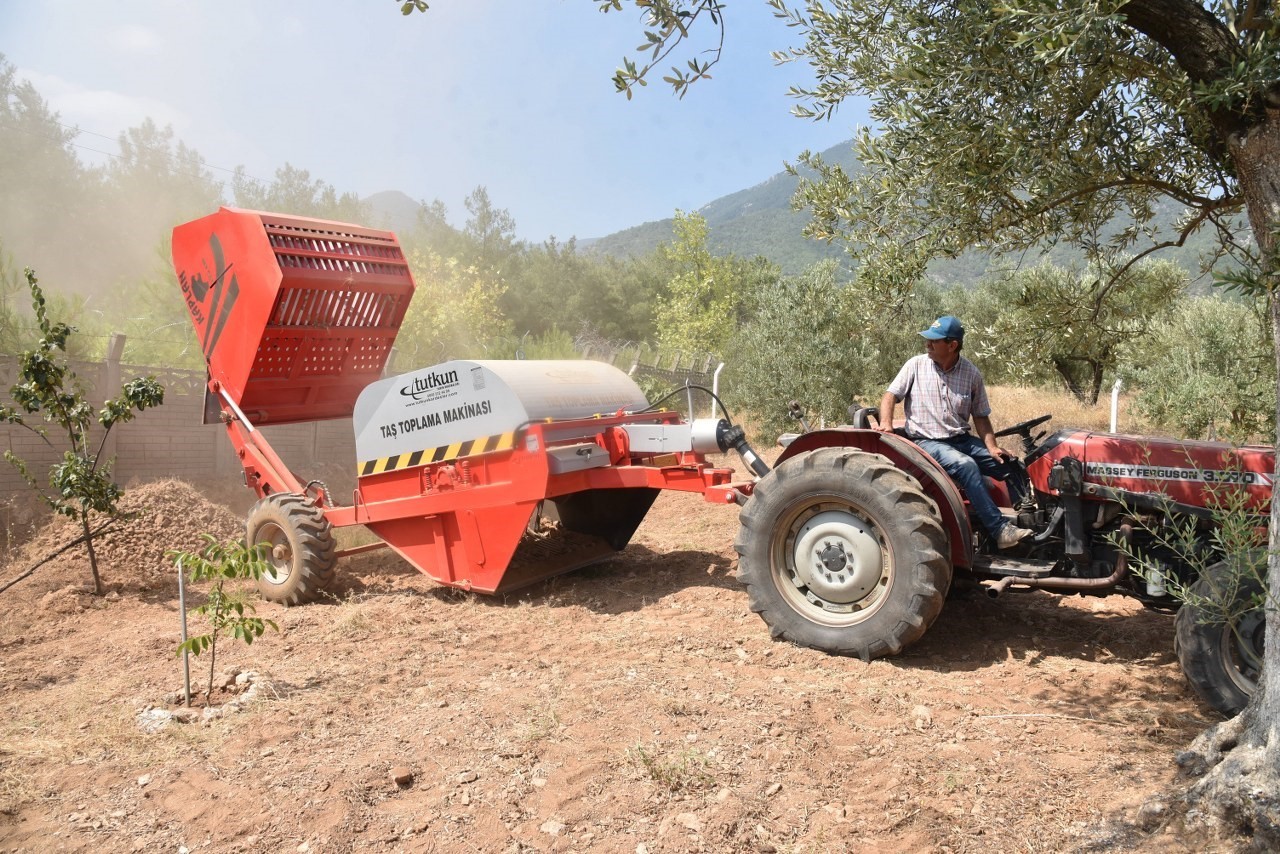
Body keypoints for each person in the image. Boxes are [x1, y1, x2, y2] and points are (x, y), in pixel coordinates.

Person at [875, 315, 1033, 550]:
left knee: (1012, 465)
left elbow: (980, 416)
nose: (927, 344)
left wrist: (992, 447)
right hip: (926, 442)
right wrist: (886, 424)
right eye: (927, 340)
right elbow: (890, 396)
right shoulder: (915, 365)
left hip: (961, 440)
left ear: (952, 345)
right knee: (966, 465)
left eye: (933, 341)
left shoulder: (971, 373)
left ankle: (1028, 522)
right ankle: (999, 530)